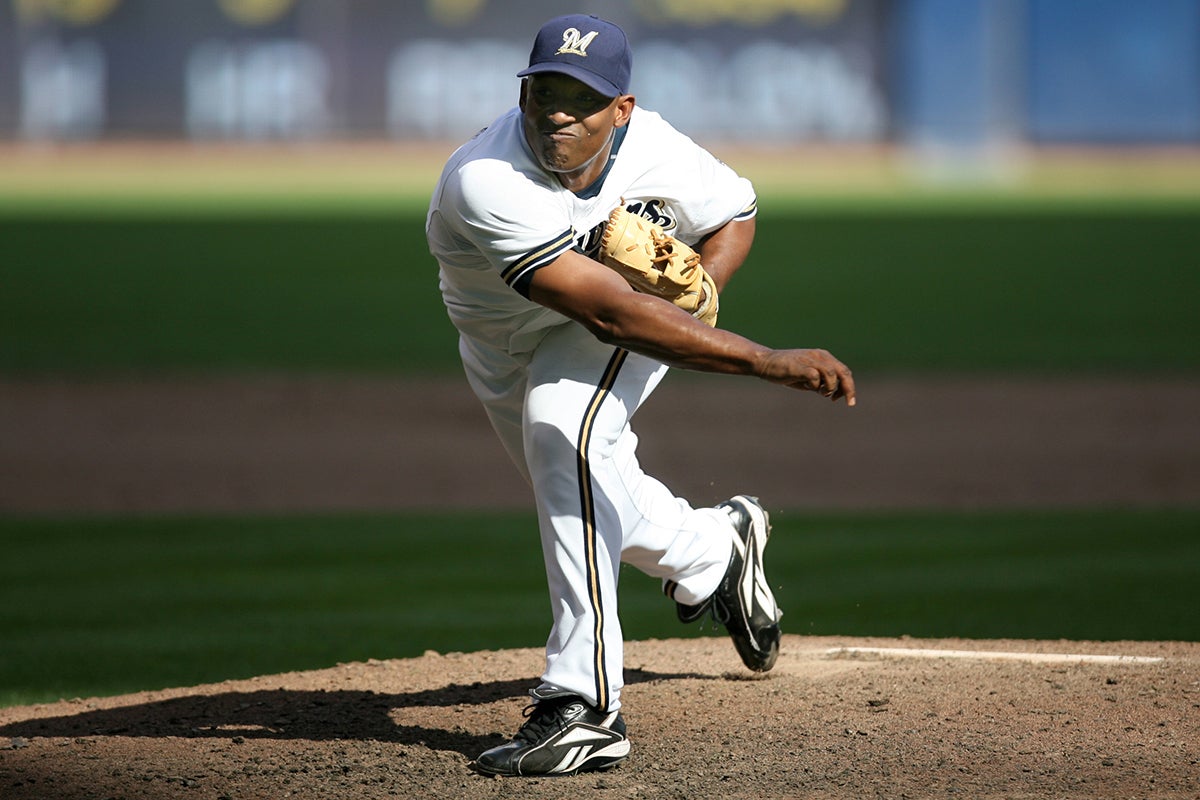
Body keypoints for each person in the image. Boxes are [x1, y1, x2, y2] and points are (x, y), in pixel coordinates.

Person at [425, 13, 856, 778]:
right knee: (589, 499)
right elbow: (608, 310)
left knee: (562, 430)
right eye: (545, 92)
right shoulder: (485, 179)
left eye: (582, 99)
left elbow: (735, 212)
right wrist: (763, 361)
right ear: (523, 95)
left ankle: (583, 707)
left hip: (599, 325)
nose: (559, 113)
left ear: (621, 109)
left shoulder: (656, 147)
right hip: (509, 344)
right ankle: (716, 552)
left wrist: (701, 290)